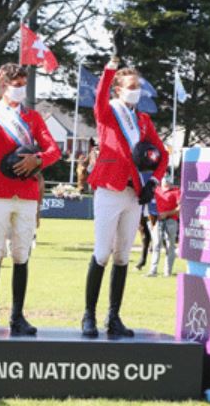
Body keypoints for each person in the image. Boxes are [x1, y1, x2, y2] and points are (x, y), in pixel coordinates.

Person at [0, 63, 61, 336]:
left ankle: (17, 316)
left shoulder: (33, 118)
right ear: (4, 84)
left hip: (27, 192)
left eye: (23, 84)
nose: (20, 89)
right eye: (15, 84)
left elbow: (53, 150)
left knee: (21, 254)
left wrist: (39, 158)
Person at [81, 57, 168, 338]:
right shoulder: (107, 112)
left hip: (134, 193)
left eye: (138, 87)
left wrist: (153, 181)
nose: (136, 91)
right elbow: (98, 99)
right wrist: (109, 69)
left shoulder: (143, 120)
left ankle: (113, 317)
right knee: (102, 252)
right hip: (109, 188)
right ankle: (88, 316)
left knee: (122, 257)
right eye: (131, 86)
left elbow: (162, 154)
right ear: (118, 89)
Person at [147, 175, 180, 277]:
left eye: (167, 184)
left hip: (171, 220)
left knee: (170, 246)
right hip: (159, 220)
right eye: (164, 184)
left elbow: (179, 209)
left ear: (170, 183)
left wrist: (167, 213)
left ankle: (167, 271)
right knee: (156, 244)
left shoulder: (176, 191)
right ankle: (153, 271)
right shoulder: (157, 190)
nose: (166, 186)